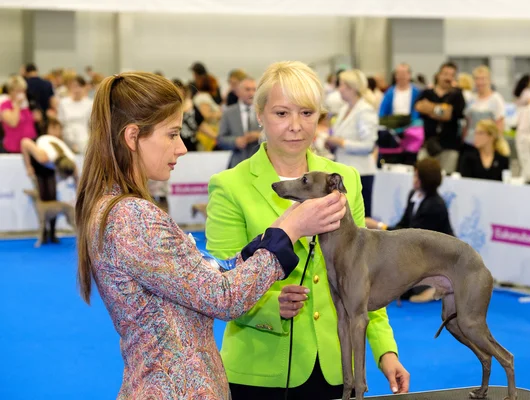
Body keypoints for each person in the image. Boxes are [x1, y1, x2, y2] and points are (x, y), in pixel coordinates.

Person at [74, 72, 348, 399]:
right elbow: (222, 298)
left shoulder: (119, 209)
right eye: (173, 134)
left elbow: (201, 277)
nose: (182, 147)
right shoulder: (133, 217)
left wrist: (273, 235)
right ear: (133, 137)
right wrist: (288, 234)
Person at [206, 61, 409, 400]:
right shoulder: (229, 186)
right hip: (259, 373)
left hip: (337, 367)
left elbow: (363, 278)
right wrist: (272, 306)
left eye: (307, 113)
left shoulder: (346, 180)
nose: (296, 126)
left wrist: (386, 352)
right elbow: (219, 285)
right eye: (282, 113)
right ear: (259, 115)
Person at [366, 158, 453, 303]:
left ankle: (438, 286)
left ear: (424, 179)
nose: (413, 179)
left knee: (404, 291)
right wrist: (382, 231)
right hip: (418, 252)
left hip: (436, 257)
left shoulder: (435, 205)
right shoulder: (414, 195)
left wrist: (379, 226)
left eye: (416, 176)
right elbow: (404, 224)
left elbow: (412, 234)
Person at [327, 69, 378, 218]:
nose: (339, 89)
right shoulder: (344, 109)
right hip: (345, 169)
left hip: (362, 172)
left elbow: (368, 146)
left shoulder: (365, 110)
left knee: (360, 219)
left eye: (341, 84)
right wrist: (332, 143)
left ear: (351, 87)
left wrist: (341, 142)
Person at [20, 117, 78, 244]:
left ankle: (52, 233)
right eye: (53, 128)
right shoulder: (43, 157)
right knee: (44, 198)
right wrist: (28, 166)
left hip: (51, 169)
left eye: (59, 129)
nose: (57, 132)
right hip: (39, 168)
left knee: (52, 199)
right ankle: (44, 233)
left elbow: (76, 180)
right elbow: (24, 142)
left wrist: (78, 197)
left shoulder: (70, 159)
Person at [415, 62, 466, 174]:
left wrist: (430, 108)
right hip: (428, 144)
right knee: (422, 174)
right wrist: (441, 110)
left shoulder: (457, 95)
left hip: (449, 147)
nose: (448, 77)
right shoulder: (427, 92)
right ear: (438, 75)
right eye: (445, 74)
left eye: (451, 75)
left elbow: (448, 115)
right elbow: (419, 106)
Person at [217, 76, 262, 168]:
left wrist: (259, 136)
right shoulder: (228, 113)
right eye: (247, 89)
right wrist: (235, 142)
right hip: (237, 164)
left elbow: (274, 136)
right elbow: (220, 139)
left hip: (261, 163)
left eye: (254, 90)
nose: (251, 93)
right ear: (238, 92)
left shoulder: (263, 111)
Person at [1, 75, 38, 153]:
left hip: (30, 144)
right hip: (14, 147)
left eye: (23, 91)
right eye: (19, 91)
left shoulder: (25, 105)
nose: (22, 94)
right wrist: (17, 105)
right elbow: (13, 123)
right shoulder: (5, 105)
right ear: (11, 91)